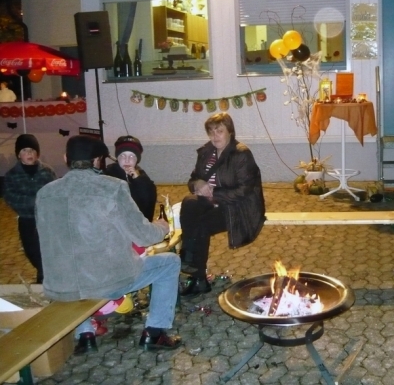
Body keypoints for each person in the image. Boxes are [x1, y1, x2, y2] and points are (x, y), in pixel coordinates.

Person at [35, 135, 182, 354]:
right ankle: (155, 332)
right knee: (170, 262)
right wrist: (162, 227)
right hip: (106, 282)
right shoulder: (112, 187)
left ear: (66, 158)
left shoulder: (45, 193)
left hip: (60, 285)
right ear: (97, 160)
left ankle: (85, 335)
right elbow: (143, 236)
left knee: (77, 276)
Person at [179, 112, 265, 296]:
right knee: (189, 203)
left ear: (230, 132)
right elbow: (193, 179)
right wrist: (197, 184)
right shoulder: (206, 152)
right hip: (211, 202)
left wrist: (214, 193)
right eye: (211, 132)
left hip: (236, 207)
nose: (214, 136)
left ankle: (196, 274)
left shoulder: (241, 154)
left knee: (201, 225)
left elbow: (245, 190)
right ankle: (190, 258)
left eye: (219, 131)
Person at [4, 134, 57, 283]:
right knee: (31, 251)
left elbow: (54, 192)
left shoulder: (47, 171)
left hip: (47, 220)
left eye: (32, 150)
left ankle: (44, 279)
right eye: (25, 150)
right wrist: (35, 201)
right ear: (18, 154)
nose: (29, 154)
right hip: (27, 219)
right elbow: (11, 198)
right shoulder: (12, 175)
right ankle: (44, 275)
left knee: (49, 251)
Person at [104, 135, 157, 221]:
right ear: (117, 158)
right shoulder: (108, 176)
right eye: (123, 156)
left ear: (137, 160)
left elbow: (148, 205)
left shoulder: (142, 176)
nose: (127, 160)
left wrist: (138, 181)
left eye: (132, 156)